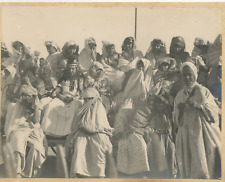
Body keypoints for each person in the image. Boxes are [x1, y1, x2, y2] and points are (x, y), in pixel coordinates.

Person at [173, 62, 221, 179]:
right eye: (184, 75)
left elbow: (214, 112)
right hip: (187, 131)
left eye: (190, 74)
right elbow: (175, 119)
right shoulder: (179, 95)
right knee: (191, 158)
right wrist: (179, 110)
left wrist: (199, 106)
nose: (187, 78)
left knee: (204, 156)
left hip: (203, 130)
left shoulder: (203, 91)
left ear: (195, 75)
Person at [65, 87, 113, 178]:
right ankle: (79, 172)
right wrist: (83, 127)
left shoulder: (99, 107)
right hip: (82, 133)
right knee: (79, 146)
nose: (87, 101)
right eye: (86, 99)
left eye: (89, 99)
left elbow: (100, 124)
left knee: (100, 146)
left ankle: (98, 173)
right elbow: (75, 124)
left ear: (94, 98)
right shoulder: (82, 108)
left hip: (98, 133)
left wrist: (88, 127)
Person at [4, 85, 48, 178]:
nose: (25, 98)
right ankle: (17, 171)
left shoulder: (36, 105)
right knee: (18, 142)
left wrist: (36, 106)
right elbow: (15, 123)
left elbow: (36, 122)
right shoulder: (18, 105)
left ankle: (31, 171)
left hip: (31, 129)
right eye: (24, 96)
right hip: (18, 128)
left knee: (37, 146)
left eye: (28, 96)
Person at [41, 59, 84, 137]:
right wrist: (61, 96)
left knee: (76, 106)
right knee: (51, 105)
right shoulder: (64, 78)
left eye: (73, 69)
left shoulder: (79, 79)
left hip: (74, 99)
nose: (71, 71)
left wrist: (73, 98)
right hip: (62, 98)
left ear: (76, 69)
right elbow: (58, 89)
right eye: (70, 69)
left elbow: (81, 92)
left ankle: (69, 132)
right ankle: (48, 131)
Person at [114, 99, 150, 176]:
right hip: (128, 137)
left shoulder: (136, 108)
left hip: (134, 137)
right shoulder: (125, 109)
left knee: (137, 166)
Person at [145, 95, 177, 178]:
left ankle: (171, 174)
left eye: (163, 105)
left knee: (171, 152)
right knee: (161, 156)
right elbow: (149, 128)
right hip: (158, 139)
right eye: (159, 105)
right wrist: (155, 131)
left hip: (168, 138)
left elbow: (172, 129)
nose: (161, 106)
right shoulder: (154, 117)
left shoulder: (168, 117)